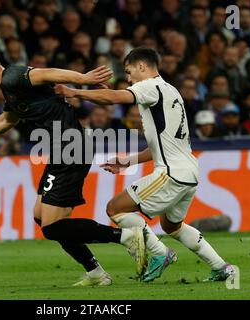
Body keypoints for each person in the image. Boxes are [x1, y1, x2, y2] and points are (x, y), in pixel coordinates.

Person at [0, 41, 147, 286]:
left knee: (52, 227)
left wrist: (83, 78)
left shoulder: (13, 77)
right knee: (40, 217)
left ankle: (127, 237)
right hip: (62, 152)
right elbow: (8, 119)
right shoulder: (11, 90)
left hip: (71, 149)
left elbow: (45, 73)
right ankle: (96, 273)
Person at [55, 47, 234, 282]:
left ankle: (160, 253)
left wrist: (73, 91)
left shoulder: (151, 86)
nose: (128, 79)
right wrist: (128, 160)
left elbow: (113, 97)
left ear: (142, 67)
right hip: (188, 171)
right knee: (172, 226)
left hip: (170, 173)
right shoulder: (171, 91)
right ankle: (222, 266)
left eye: (129, 72)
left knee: (115, 208)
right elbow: (163, 145)